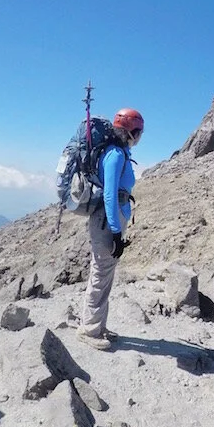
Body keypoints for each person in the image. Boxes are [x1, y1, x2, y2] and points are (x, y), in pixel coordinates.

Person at [77, 108, 144, 350]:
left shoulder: (120, 152)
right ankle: (90, 330)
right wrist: (116, 231)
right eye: (139, 131)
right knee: (100, 273)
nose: (140, 136)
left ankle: (98, 325)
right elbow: (109, 194)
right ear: (131, 131)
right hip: (107, 221)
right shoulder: (115, 154)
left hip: (112, 218)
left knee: (106, 273)